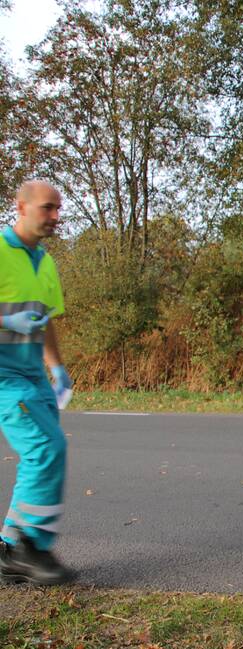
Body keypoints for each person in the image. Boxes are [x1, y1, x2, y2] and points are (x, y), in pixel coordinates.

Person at [0, 180, 75, 585]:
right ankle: (32, 547)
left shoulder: (45, 262)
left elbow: (45, 321)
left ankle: (10, 548)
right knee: (46, 449)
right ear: (22, 207)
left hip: (33, 375)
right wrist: (4, 321)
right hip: (3, 378)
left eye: (58, 209)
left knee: (41, 456)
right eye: (48, 208)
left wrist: (57, 368)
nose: (55, 217)